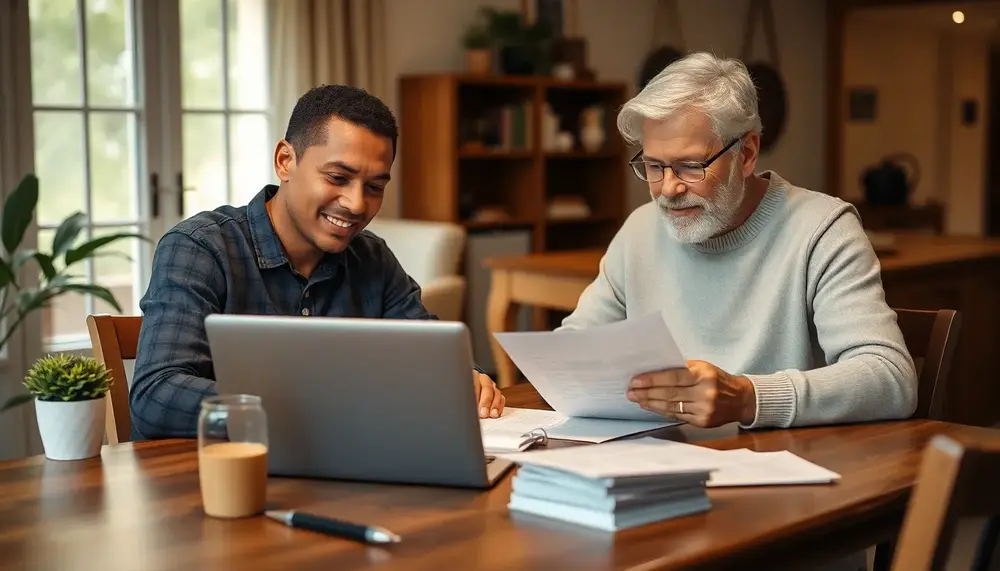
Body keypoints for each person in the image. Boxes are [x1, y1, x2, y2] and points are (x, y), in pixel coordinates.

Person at [558, 52, 918, 431]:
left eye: (691, 166)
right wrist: (486, 380)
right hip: (658, 468)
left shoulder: (823, 230)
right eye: (653, 166)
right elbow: (573, 350)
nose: (668, 188)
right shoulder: (640, 230)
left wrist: (748, 397)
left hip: (779, 470)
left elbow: (891, 379)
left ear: (746, 153)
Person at [130, 85, 504, 440]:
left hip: (339, 476)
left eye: (375, 187)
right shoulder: (200, 249)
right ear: (285, 161)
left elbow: (432, 353)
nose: (357, 204)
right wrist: (300, 409)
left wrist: (466, 377)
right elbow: (156, 395)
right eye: (338, 177)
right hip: (211, 481)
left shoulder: (372, 258)